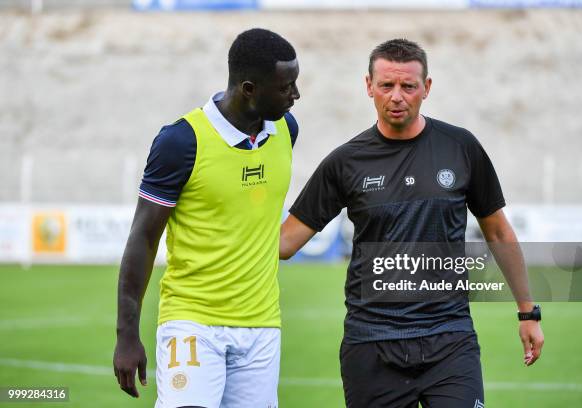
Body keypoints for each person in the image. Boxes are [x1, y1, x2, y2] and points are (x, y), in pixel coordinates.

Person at [279, 39, 544, 408]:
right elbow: (284, 243)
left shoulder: (461, 147)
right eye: (386, 85)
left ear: (427, 88)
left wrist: (528, 312)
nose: (397, 96)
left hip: (450, 340)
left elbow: (498, 231)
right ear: (369, 86)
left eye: (408, 86)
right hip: (371, 346)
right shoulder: (345, 162)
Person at [113, 28, 300, 408]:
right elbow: (143, 239)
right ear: (249, 88)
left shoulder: (286, 130)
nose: (295, 96)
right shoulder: (181, 142)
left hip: (262, 327)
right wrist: (126, 334)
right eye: (286, 87)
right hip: (193, 323)